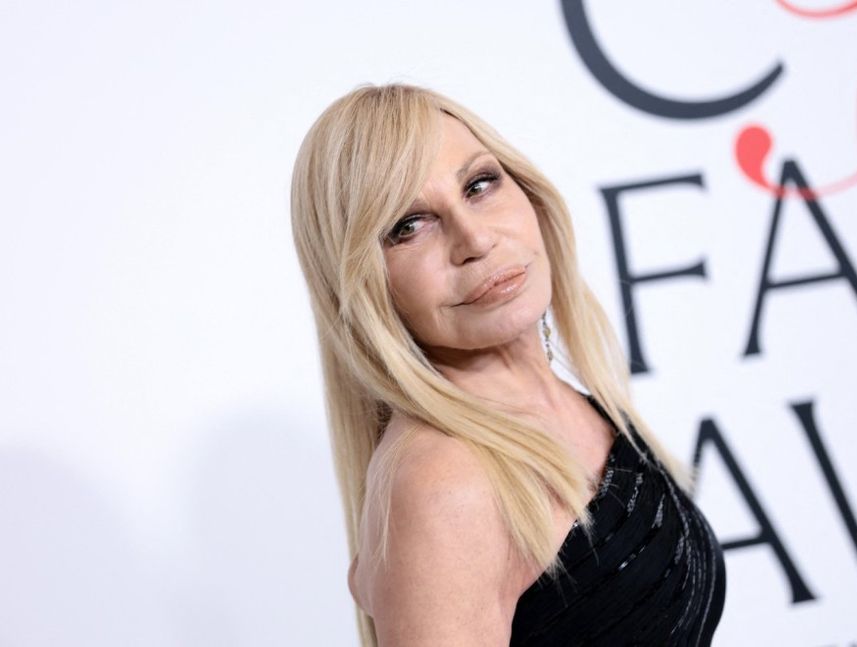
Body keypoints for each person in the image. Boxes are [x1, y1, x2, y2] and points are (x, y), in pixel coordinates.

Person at [289, 83, 727, 646]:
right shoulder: (444, 484)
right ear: (364, 284)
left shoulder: (573, 402)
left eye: (479, 184)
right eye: (409, 225)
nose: (474, 239)